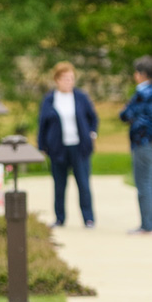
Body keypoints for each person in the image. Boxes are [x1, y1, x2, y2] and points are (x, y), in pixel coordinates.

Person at [37, 61, 98, 227]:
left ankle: (88, 218)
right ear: (57, 80)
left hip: (79, 146)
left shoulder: (80, 97)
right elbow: (42, 124)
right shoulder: (50, 99)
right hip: (58, 148)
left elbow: (93, 117)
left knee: (83, 183)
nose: (68, 82)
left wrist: (92, 133)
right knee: (59, 185)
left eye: (71, 78)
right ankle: (60, 217)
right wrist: (41, 146)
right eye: (65, 78)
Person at [120, 55, 152, 234]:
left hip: (144, 142)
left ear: (142, 74)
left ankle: (147, 226)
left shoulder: (142, 93)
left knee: (144, 183)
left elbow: (126, 114)